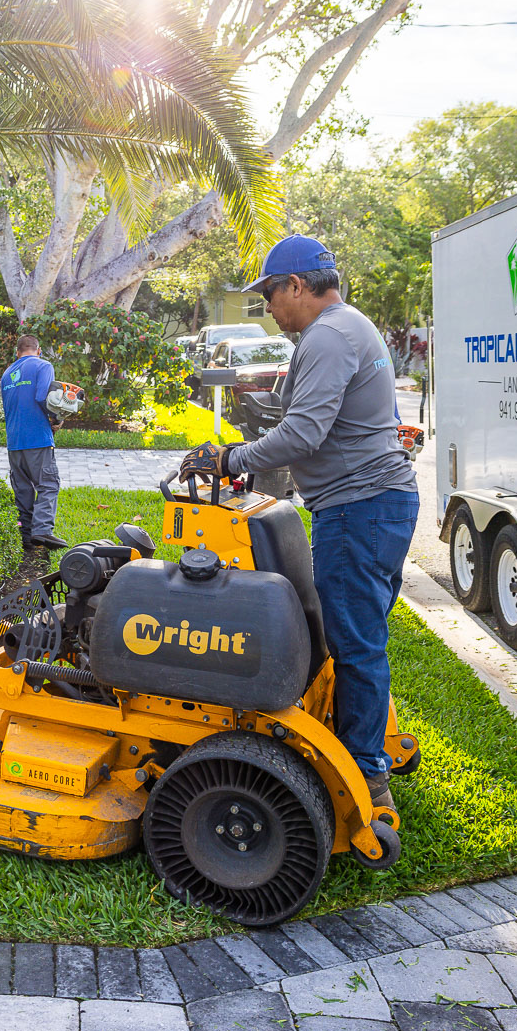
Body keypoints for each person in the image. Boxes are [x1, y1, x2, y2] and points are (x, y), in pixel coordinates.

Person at [180, 234, 418, 809]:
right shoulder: (350, 327)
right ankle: (358, 743)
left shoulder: (328, 337)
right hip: (377, 503)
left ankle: (363, 779)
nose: (268, 309)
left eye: (269, 295)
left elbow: (304, 433)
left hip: (358, 509)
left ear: (297, 285)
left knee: (354, 643)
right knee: (355, 635)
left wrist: (230, 457)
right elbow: (324, 422)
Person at [0, 335, 68, 551]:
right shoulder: (43, 365)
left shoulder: (7, 374)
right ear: (38, 350)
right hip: (37, 438)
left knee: (23, 490)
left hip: (14, 442)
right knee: (48, 484)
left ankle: (27, 537)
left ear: (17, 352)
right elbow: (43, 397)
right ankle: (43, 531)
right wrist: (57, 419)